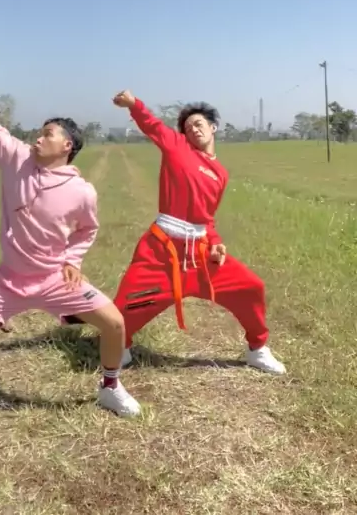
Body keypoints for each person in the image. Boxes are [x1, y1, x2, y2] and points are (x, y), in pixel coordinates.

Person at [0, 85, 141, 424]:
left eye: (48, 134)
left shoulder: (82, 192)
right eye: (39, 133)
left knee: (114, 323)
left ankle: (110, 387)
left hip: (56, 280)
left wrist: (73, 260)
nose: (38, 138)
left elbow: (87, 229)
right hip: (8, 281)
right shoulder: (16, 159)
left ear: (67, 145)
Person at [112, 91, 286, 375]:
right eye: (188, 126)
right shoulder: (177, 146)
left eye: (198, 123)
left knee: (251, 288)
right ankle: (120, 347)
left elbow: (208, 218)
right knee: (126, 303)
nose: (193, 129)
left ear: (213, 127)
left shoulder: (221, 174)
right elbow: (152, 125)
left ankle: (257, 349)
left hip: (200, 253)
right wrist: (134, 105)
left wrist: (215, 243)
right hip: (161, 249)